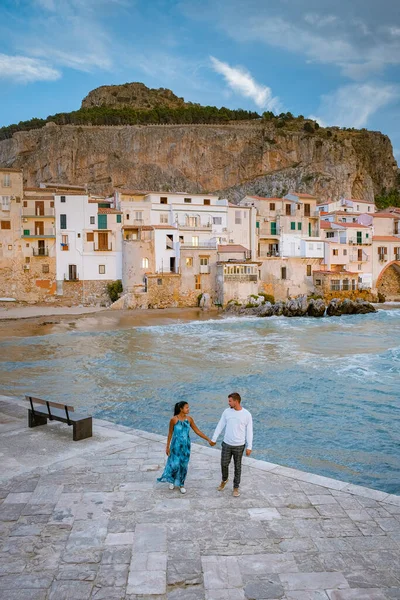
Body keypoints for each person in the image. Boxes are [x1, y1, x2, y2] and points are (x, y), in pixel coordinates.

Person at [157, 401, 212, 494]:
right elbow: (170, 433)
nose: (188, 409)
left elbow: (197, 431)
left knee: (183, 465)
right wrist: (167, 446)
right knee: (174, 464)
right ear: (181, 409)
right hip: (175, 446)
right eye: (187, 407)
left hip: (186, 447)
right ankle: (172, 481)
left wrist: (208, 439)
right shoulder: (174, 420)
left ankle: (181, 484)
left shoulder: (189, 419)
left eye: (188, 407)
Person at [210, 392, 253, 497]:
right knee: (224, 464)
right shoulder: (226, 412)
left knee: (237, 467)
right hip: (226, 444)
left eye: (230, 401)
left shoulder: (247, 414)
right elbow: (220, 425)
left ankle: (236, 487)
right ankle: (224, 479)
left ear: (236, 401)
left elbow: (249, 431)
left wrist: (249, 446)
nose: (228, 403)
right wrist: (214, 438)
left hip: (239, 445)